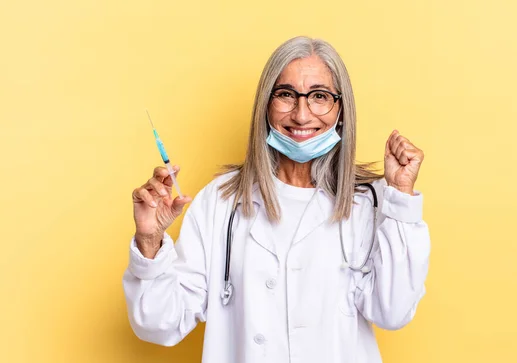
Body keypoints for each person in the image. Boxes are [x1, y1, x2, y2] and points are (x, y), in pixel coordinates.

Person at [124, 36, 430, 363]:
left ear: (341, 110)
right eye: (286, 95)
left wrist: (400, 198)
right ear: (265, 105)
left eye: (320, 96)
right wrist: (149, 240)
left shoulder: (371, 202)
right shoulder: (220, 202)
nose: (301, 114)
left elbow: (393, 311)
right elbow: (159, 324)